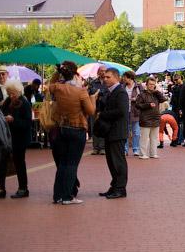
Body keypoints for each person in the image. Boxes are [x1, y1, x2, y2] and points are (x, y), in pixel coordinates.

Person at [46, 62, 96, 205]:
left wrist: (58, 72)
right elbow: (91, 111)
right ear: (75, 74)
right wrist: (93, 98)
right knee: (72, 164)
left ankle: (58, 195)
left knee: (62, 163)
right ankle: (68, 196)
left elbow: (50, 84)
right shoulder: (81, 91)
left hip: (62, 128)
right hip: (77, 128)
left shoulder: (58, 88)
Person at [0, 80, 32, 199]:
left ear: (19, 91)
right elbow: (0, 113)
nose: (11, 95)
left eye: (13, 93)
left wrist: (13, 120)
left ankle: (23, 188)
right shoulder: (7, 102)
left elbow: (27, 123)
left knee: (19, 162)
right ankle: (0, 189)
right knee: (1, 162)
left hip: (19, 139)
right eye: (9, 93)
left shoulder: (24, 103)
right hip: (6, 138)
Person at [97, 68, 130, 199]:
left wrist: (102, 114)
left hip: (117, 132)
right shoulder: (109, 91)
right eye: (104, 77)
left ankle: (120, 188)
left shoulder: (120, 92)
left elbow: (121, 111)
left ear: (116, 77)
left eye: (108, 77)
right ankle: (114, 186)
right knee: (111, 161)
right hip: (110, 131)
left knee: (118, 161)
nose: (105, 79)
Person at [134, 76, 166, 159]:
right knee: (144, 138)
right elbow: (137, 105)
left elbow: (163, 99)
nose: (152, 86)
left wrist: (157, 91)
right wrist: (148, 105)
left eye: (153, 84)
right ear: (146, 85)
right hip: (145, 119)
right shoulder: (141, 94)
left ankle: (153, 153)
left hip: (155, 118)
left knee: (154, 138)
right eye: (150, 84)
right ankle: (142, 154)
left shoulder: (156, 94)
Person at [87, 66, 107, 154]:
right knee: (94, 127)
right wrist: (99, 92)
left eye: (105, 71)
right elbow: (90, 92)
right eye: (101, 71)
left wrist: (99, 92)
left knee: (103, 127)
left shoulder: (108, 81)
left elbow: (107, 92)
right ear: (98, 72)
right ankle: (95, 148)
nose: (103, 72)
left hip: (104, 107)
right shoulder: (93, 82)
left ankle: (102, 147)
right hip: (94, 107)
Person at [121, 71, 142, 157]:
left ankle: (136, 149)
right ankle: (125, 150)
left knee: (136, 132)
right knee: (125, 131)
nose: (123, 79)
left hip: (136, 112)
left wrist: (136, 99)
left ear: (130, 78)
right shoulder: (122, 86)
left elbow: (143, 97)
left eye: (125, 77)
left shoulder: (138, 86)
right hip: (125, 112)